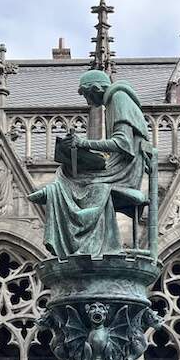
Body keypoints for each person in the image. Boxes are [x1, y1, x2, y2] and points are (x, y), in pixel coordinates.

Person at [29, 69, 150, 259]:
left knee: (84, 183)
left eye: (86, 95)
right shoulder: (114, 100)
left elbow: (123, 143)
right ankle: (55, 193)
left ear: (95, 89)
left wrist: (83, 143)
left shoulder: (118, 98)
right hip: (121, 166)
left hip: (125, 172)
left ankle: (87, 246)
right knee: (68, 170)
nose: (87, 102)